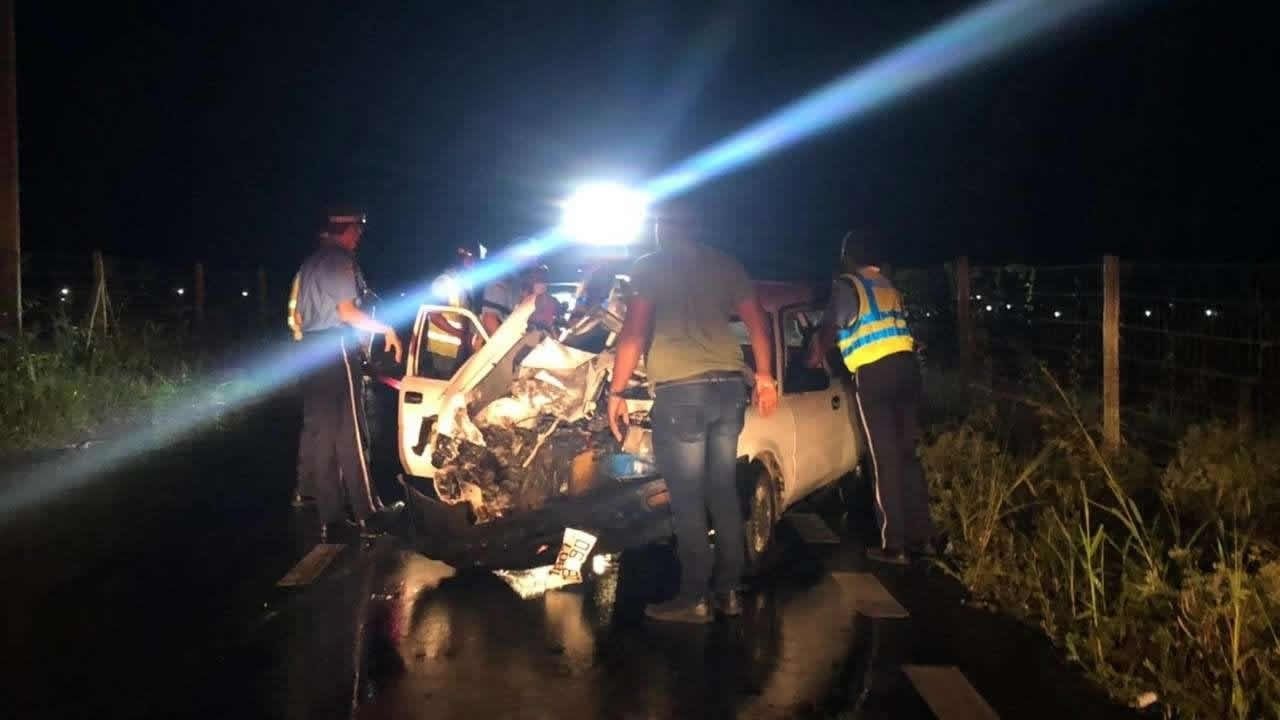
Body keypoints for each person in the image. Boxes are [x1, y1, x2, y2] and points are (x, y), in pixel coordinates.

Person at [607, 201, 778, 624]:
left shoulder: (650, 266)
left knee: (686, 498)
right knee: (722, 490)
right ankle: (730, 592)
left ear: (662, 228)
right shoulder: (726, 264)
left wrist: (617, 391)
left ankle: (694, 596)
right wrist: (764, 376)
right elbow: (757, 322)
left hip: (681, 393)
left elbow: (634, 332)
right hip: (729, 388)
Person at [809, 234, 934, 565]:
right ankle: (923, 538)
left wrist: (815, 355)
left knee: (885, 459)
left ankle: (895, 546)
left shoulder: (848, 285)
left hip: (875, 376)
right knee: (908, 456)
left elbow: (830, 328)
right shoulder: (887, 286)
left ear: (848, 257)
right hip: (907, 370)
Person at [294, 209, 403, 540]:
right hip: (335, 347)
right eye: (356, 230)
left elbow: (299, 314)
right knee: (350, 433)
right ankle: (369, 513)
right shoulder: (340, 260)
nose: (359, 236)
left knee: (323, 436)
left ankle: (332, 519)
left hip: (310, 349)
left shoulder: (309, 263)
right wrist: (386, 329)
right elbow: (347, 312)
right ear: (343, 229)